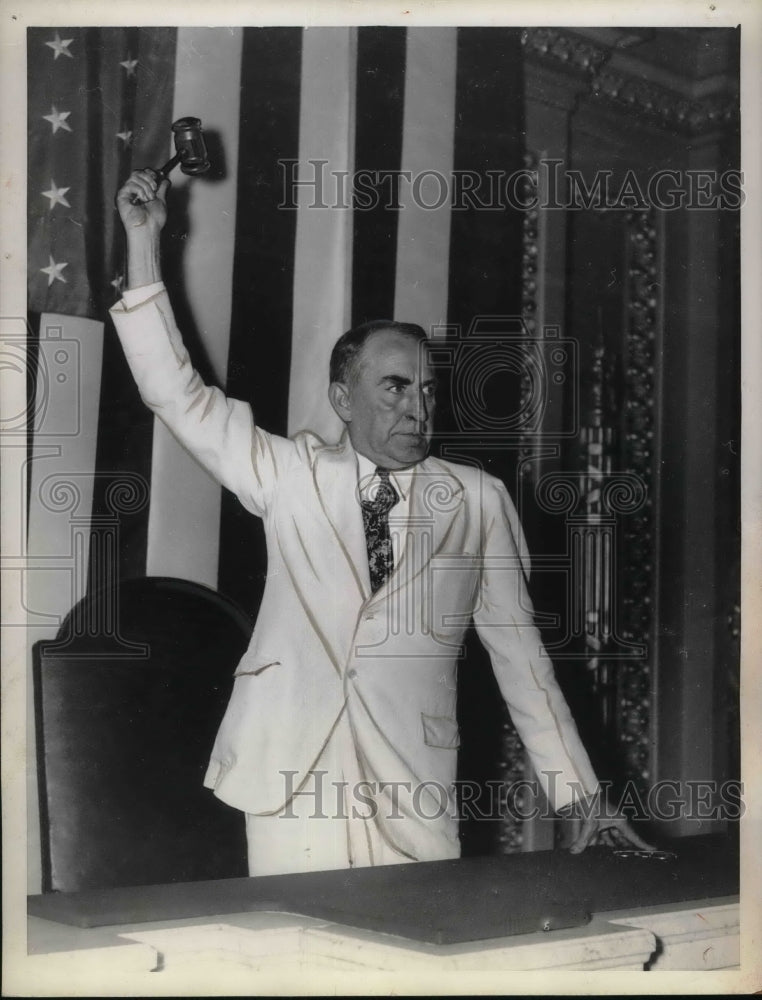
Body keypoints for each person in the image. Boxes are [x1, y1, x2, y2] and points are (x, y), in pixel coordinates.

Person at [112, 169, 652, 876]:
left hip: (415, 789)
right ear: (342, 397)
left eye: (427, 390)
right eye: (394, 387)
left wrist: (579, 799)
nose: (417, 409)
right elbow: (175, 395)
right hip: (290, 782)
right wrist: (145, 243)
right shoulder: (288, 474)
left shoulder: (479, 501)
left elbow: (523, 660)